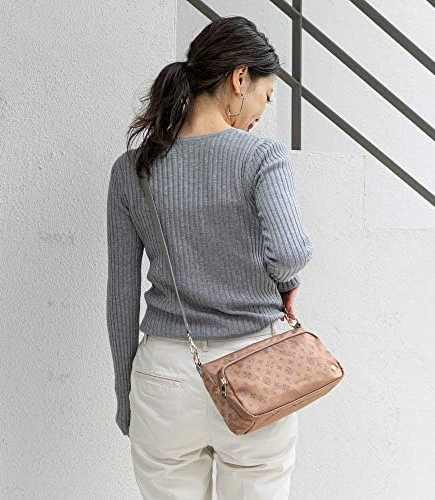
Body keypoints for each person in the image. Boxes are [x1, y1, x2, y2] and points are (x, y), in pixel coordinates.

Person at [106, 15, 314, 500]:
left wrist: (126, 392)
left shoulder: (131, 169)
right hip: (256, 370)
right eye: (266, 95)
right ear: (240, 78)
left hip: (164, 376)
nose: (262, 111)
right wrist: (285, 283)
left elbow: (120, 296)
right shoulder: (261, 157)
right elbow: (291, 251)